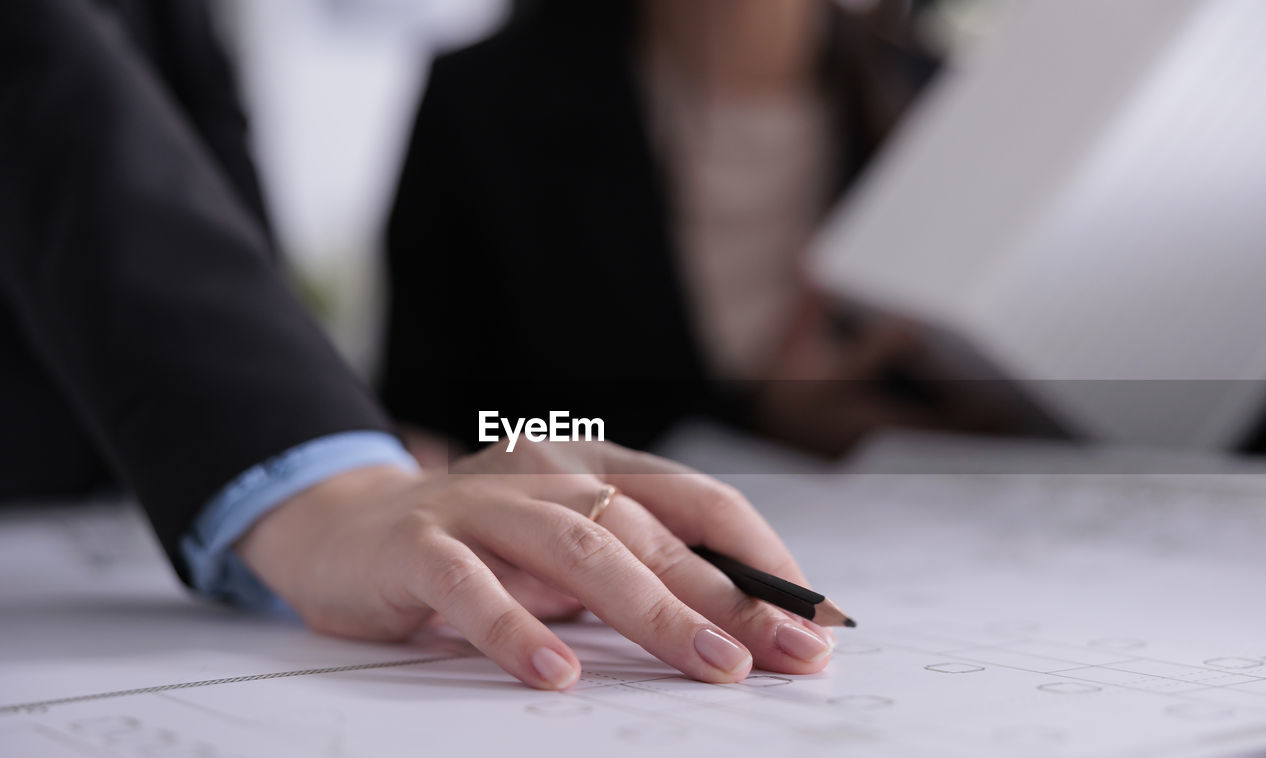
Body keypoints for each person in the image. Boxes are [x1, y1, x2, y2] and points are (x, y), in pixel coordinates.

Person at [0, 0, 837, 691]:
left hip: (133, 501)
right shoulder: (496, 89)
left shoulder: (898, 93)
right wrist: (314, 477)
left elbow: (199, 193)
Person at [382, 0, 994, 460]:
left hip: (911, 558)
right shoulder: (485, 104)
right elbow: (440, 424)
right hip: (588, 561)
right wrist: (760, 419)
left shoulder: (953, 107)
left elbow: (1013, 420)